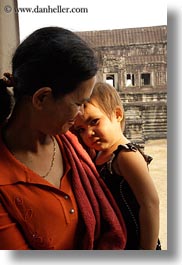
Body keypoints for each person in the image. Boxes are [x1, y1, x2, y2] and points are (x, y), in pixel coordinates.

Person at [0, 27, 127, 250]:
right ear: (42, 98)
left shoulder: (72, 141)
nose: (81, 116)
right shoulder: (4, 177)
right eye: (78, 104)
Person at [73, 82, 161, 250]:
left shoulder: (126, 156)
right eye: (81, 129)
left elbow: (150, 204)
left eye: (95, 121)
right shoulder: (98, 154)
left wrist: (146, 250)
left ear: (118, 114)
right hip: (119, 240)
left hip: (137, 242)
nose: (89, 133)